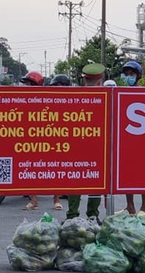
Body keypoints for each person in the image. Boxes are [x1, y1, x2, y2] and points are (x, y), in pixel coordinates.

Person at [62, 65, 106, 221]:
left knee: (75, 179)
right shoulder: (106, 96)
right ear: (100, 81)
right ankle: (92, 216)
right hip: (98, 146)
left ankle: (72, 216)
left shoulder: (74, 95)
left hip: (76, 146)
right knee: (96, 182)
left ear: (84, 79)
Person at [20, 71, 62, 211]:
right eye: (25, 84)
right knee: (32, 169)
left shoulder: (47, 98)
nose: (26, 86)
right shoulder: (22, 101)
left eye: (28, 84)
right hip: (31, 139)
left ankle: (56, 200)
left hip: (50, 138)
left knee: (55, 168)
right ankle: (33, 200)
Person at [117, 60, 145, 216]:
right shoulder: (120, 93)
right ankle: (130, 206)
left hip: (143, 141)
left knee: (144, 176)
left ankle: (144, 208)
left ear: (138, 76)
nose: (129, 77)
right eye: (127, 74)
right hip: (126, 140)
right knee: (127, 176)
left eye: (132, 74)